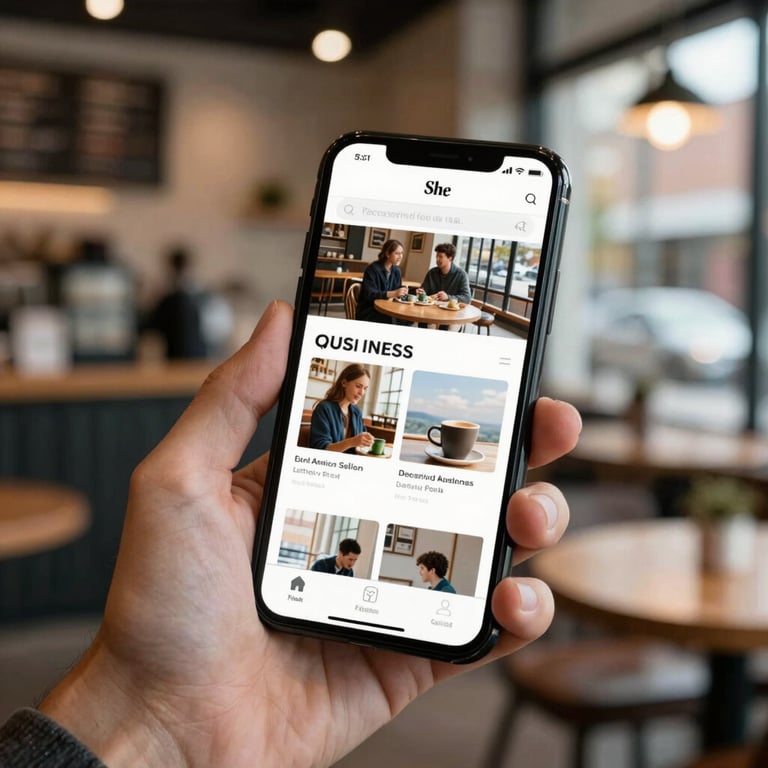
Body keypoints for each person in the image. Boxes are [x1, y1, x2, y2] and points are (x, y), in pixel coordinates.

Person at [0, 300, 580, 768]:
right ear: (343, 388)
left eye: (360, 394)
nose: (357, 398)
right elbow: (324, 449)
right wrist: (148, 712)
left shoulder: (355, 426)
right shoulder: (329, 417)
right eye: (353, 391)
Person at [310, 363, 375, 453]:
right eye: (358, 386)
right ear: (344, 383)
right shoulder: (324, 408)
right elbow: (320, 449)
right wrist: (352, 442)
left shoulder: (357, 412)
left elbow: (361, 443)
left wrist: (368, 441)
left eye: (365, 388)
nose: (362, 392)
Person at [356, 238, 408, 323]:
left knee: (406, 320)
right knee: (392, 321)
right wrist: (393, 293)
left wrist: (402, 291)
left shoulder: (397, 270)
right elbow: (369, 295)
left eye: (402, 253)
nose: (401, 256)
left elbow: (397, 290)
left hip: (388, 308)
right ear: (387, 254)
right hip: (370, 310)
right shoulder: (372, 269)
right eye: (397, 253)